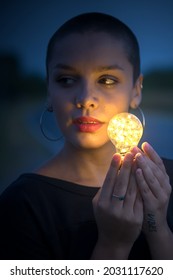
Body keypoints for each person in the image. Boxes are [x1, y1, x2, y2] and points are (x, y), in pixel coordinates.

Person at [0, 12, 173, 260]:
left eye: (107, 80)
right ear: (49, 90)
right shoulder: (21, 208)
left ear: (136, 90)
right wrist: (113, 245)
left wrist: (159, 229)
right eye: (67, 80)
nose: (85, 100)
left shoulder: (166, 183)